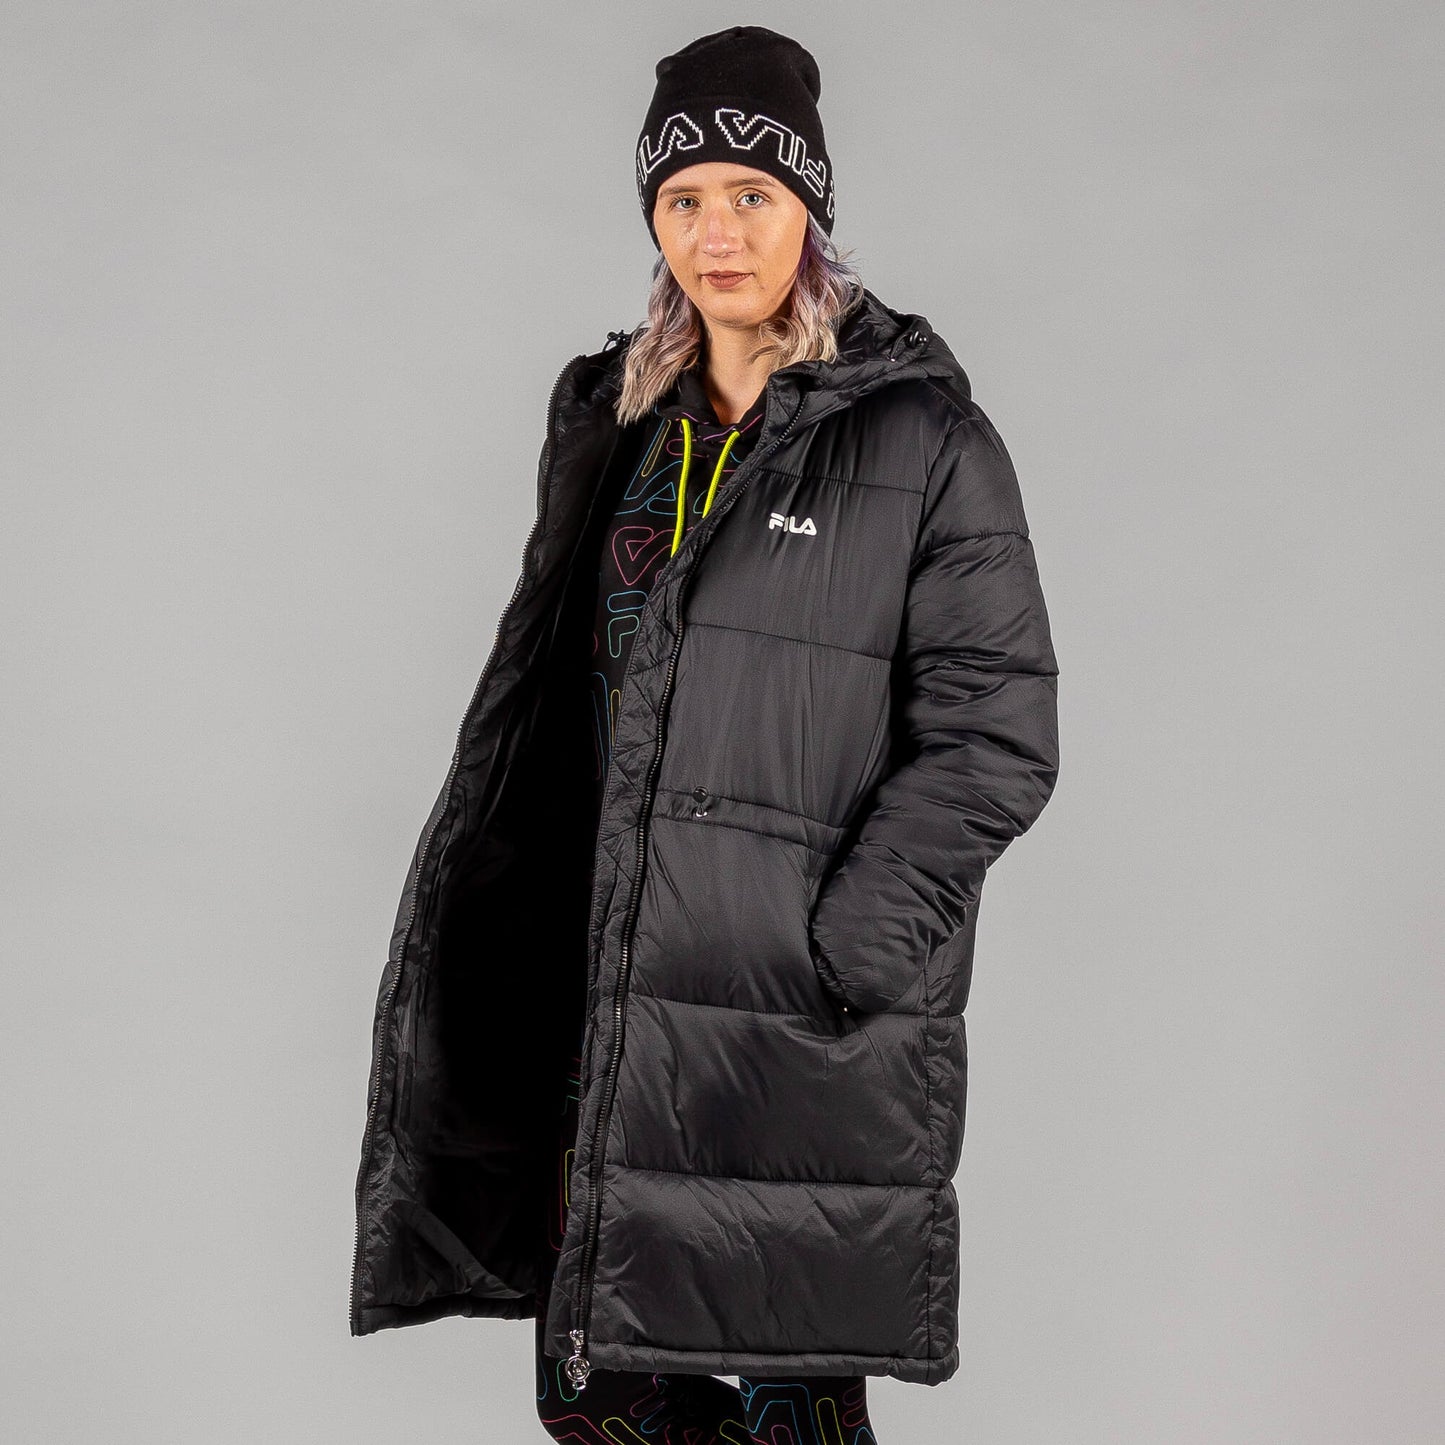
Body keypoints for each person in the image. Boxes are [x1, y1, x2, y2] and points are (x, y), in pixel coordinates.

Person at [350, 26, 1060, 1444]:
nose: (715, 233)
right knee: (599, 1395)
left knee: (793, 1400)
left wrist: (842, 945)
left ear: (810, 210)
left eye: (751, 194)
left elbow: (997, 728)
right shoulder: (623, 425)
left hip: (784, 1021)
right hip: (610, 997)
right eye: (683, 199)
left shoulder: (921, 442)